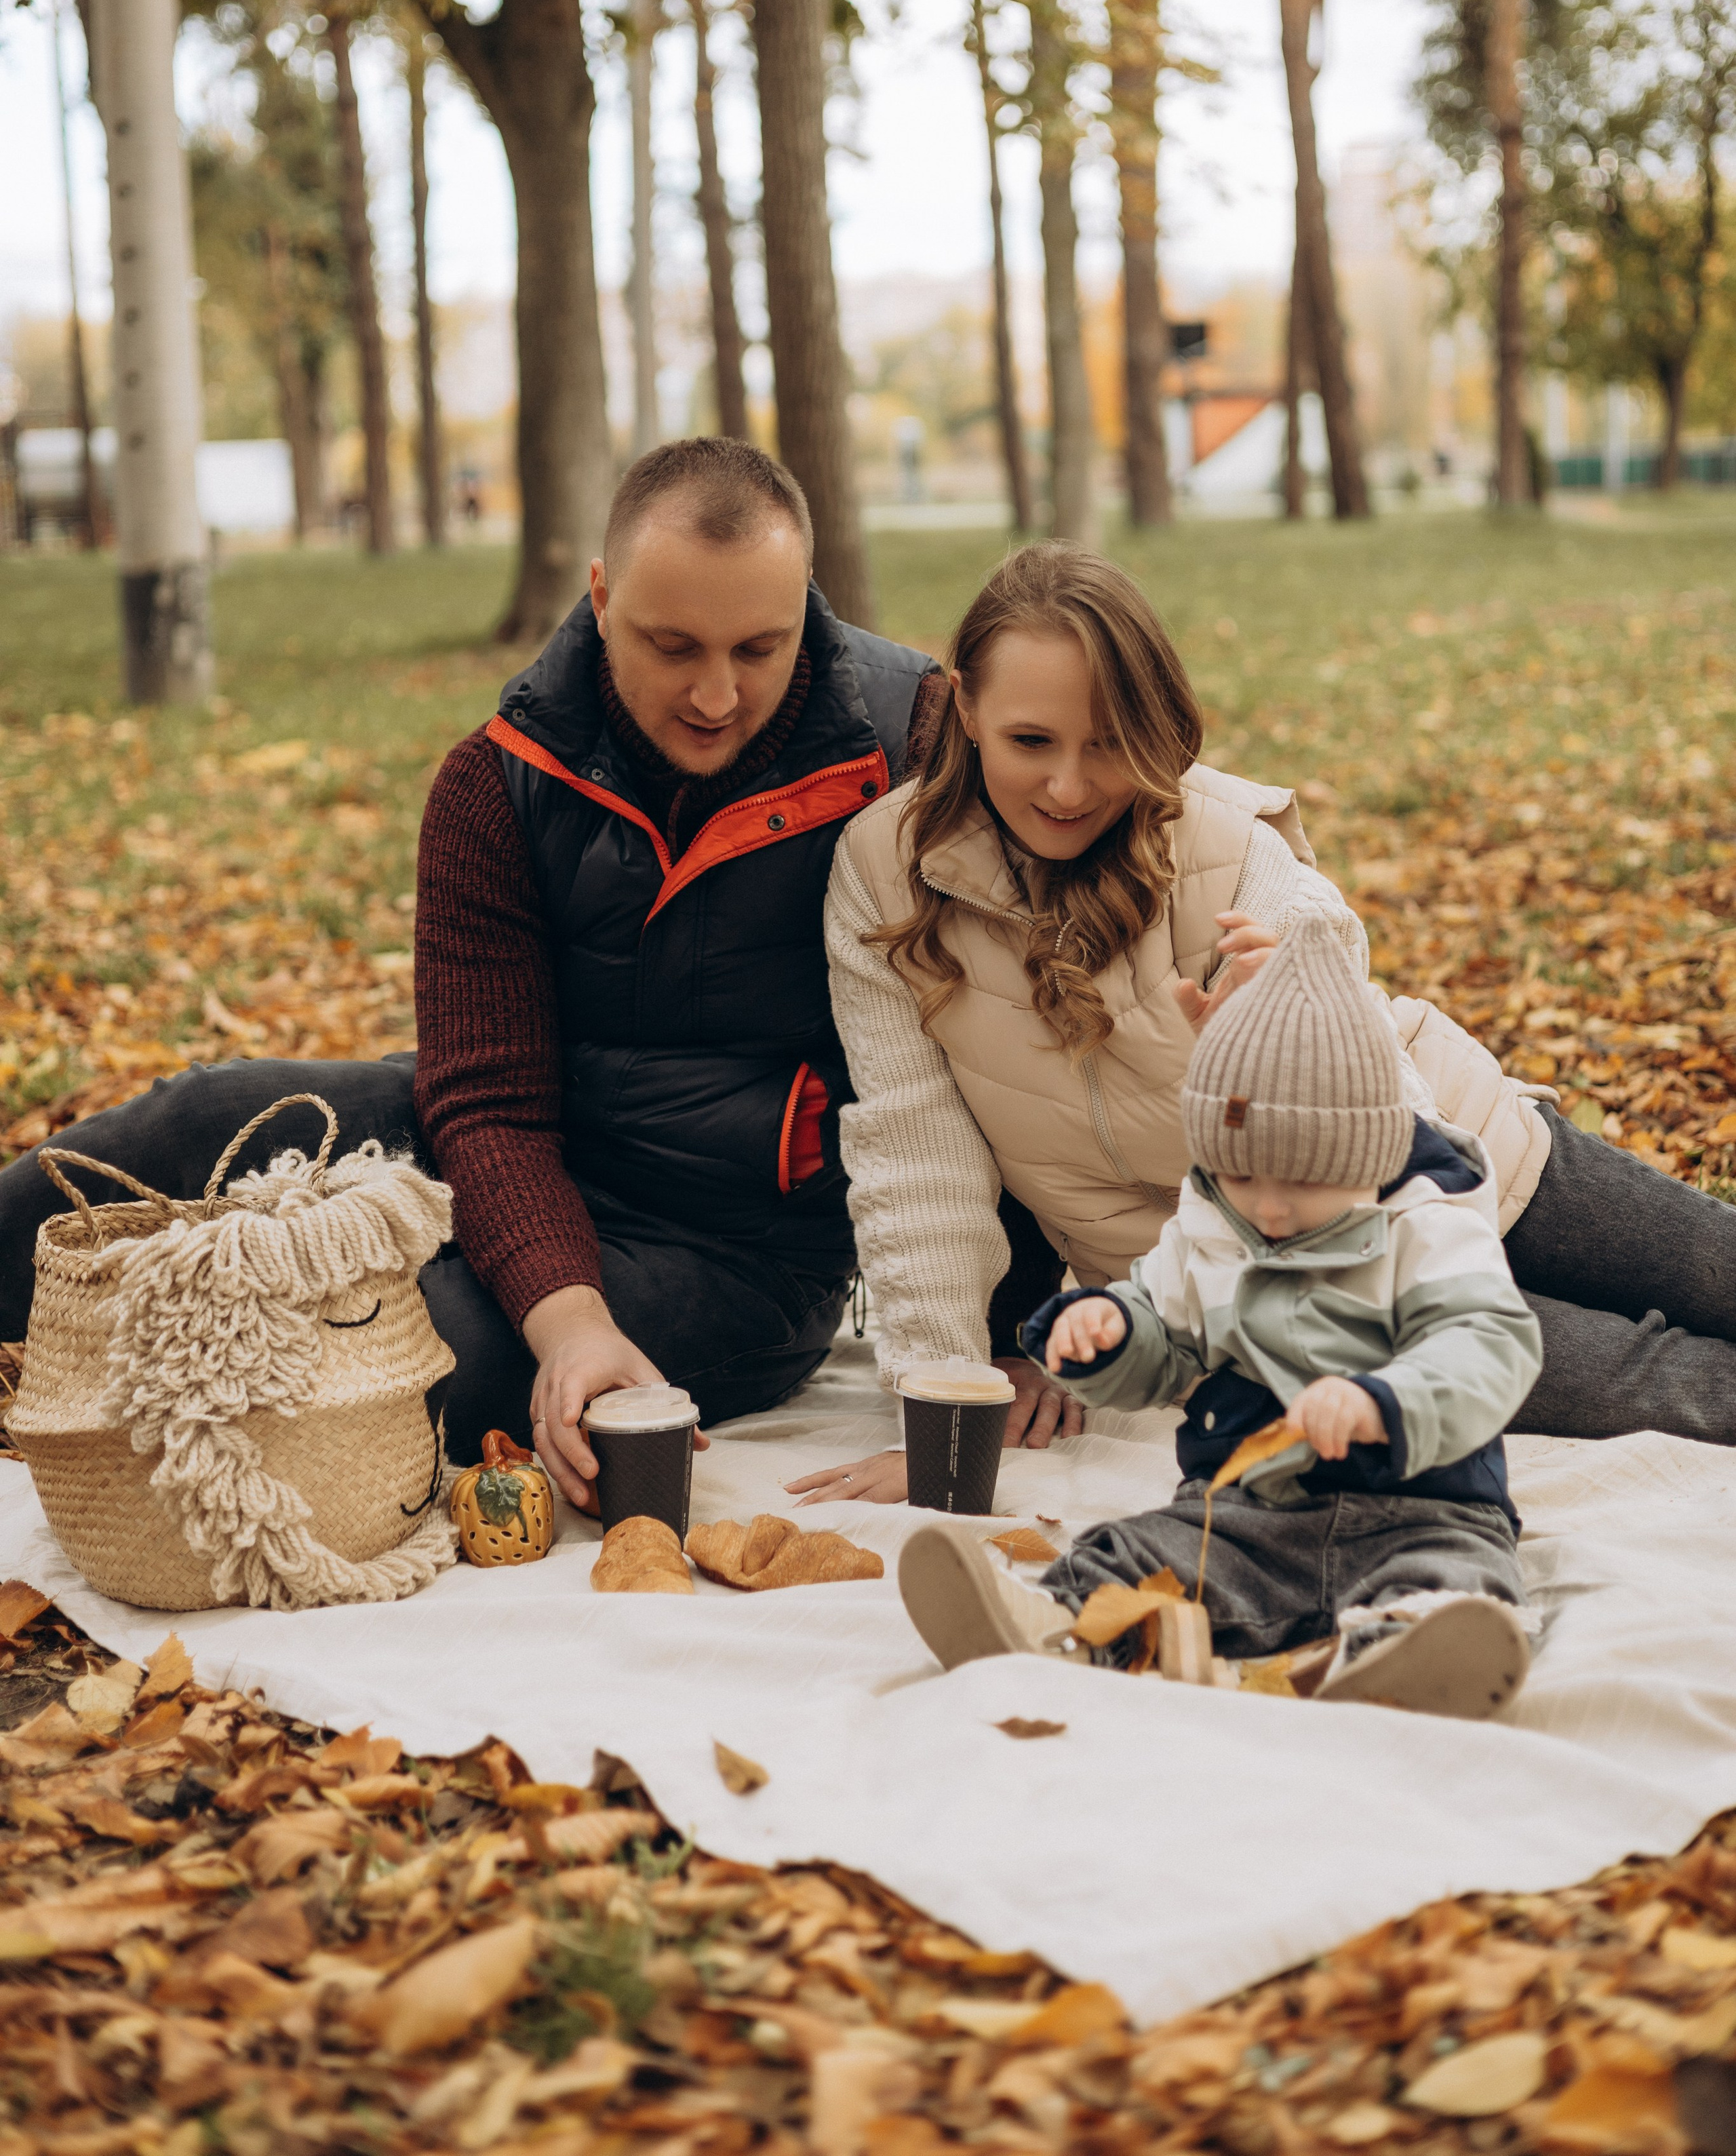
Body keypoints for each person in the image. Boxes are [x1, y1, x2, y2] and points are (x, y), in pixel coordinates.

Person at [0, 442, 1017, 1506]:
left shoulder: (916, 744)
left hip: (736, 1251)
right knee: (201, 1115)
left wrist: (1013, 1330)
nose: (717, 695)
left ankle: (122, 1383)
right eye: (671, 646)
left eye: (761, 647)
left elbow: (1018, 1047)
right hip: (511, 1138)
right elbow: (486, 1099)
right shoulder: (495, 781)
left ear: (806, 603)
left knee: (406, 1351)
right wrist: (568, 1314)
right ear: (600, 593)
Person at [792, 542, 1736, 1511]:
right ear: (967, 714)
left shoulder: (1221, 839)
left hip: (1447, 1151)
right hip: (1278, 1300)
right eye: (1032, 742)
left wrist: (1294, 1013)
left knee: (1720, 1267)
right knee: (1668, 1387)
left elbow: (1343, 982)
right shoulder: (884, 877)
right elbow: (920, 1160)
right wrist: (948, 1405)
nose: (1070, 788)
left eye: (1109, 742)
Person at [896, 915, 1540, 1720]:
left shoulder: (1428, 1226)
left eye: (1302, 1184)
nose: (1266, 1208)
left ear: (1369, 1158)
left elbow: (1488, 1344)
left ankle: (1409, 1645)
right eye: (1238, 1175)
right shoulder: (1212, 1230)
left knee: (1458, 1573)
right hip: (1251, 1513)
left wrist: (1385, 1401)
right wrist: (1108, 1334)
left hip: (1420, 1508)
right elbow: (1165, 1337)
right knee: (1144, 1548)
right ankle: (1056, 1618)